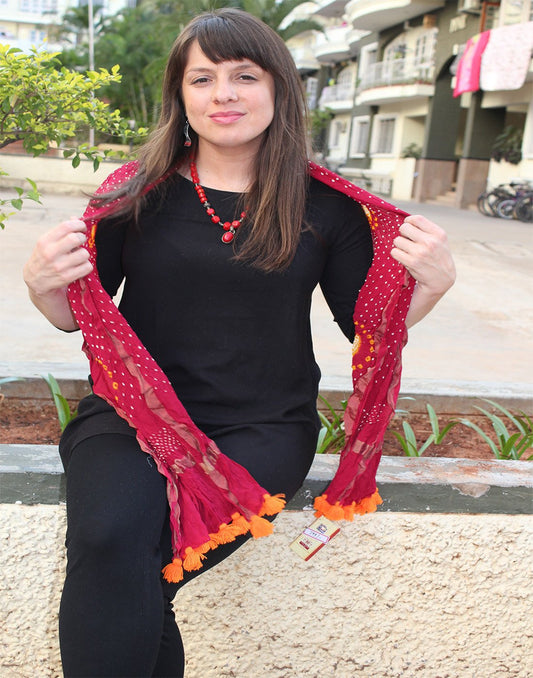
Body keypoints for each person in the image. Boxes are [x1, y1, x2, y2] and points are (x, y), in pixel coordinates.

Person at [23, 8, 455, 677]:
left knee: (132, 575)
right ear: (181, 97)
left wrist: (432, 284)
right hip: (133, 417)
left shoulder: (327, 206)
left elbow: (365, 329)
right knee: (112, 542)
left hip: (261, 427)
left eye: (243, 75)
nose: (222, 94)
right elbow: (76, 312)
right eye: (202, 79)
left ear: (278, 89)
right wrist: (39, 283)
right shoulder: (135, 193)